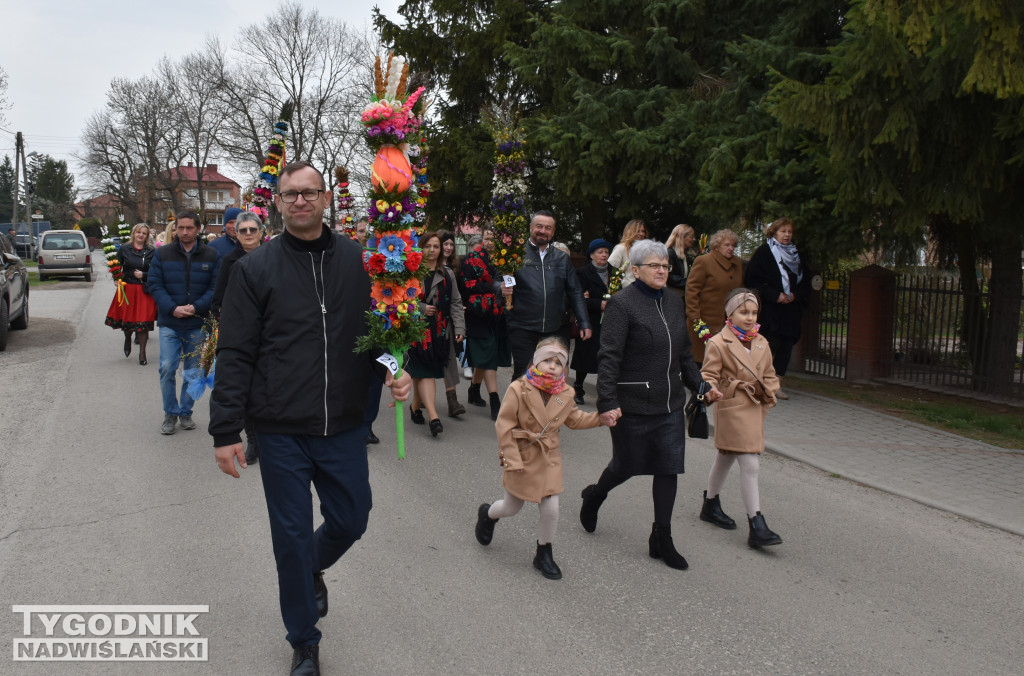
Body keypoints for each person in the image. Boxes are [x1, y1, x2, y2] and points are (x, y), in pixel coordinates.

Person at [209, 161, 411, 676]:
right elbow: (234, 352)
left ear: (325, 200)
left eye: (310, 193)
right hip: (279, 429)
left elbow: (379, 337)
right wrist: (226, 429)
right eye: (290, 194)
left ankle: (311, 567)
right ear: (276, 203)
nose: (300, 201)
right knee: (291, 538)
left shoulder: (359, 262)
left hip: (343, 423)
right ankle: (304, 641)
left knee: (352, 518)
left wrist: (395, 368)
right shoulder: (255, 269)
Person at [579, 240, 721, 571]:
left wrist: (700, 386)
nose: (661, 270)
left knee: (667, 467)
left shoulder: (674, 302)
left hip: (669, 402)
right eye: (654, 265)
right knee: (625, 465)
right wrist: (607, 401)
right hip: (631, 403)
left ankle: (662, 537)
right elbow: (609, 355)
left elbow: (684, 353)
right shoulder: (621, 305)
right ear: (636, 270)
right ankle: (595, 495)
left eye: (665, 266)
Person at [475, 336, 602, 580]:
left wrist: (601, 418)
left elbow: (574, 419)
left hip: (548, 456)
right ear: (536, 361)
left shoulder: (565, 392)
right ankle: (488, 514)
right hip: (522, 454)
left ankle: (544, 552)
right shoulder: (519, 388)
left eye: (559, 362)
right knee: (511, 507)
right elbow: (504, 424)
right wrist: (511, 458)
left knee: (551, 508)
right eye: (548, 360)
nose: (553, 366)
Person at [699, 288, 783, 548]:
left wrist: (770, 392)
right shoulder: (718, 343)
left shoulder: (761, 342)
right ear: (730, 313)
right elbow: (708, 376)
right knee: (750, 463)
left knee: (725, 457)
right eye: (743, 312)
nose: (749, 317)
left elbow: (770, 374)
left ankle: (710, 504)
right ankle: (756, 524)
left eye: (754, 312)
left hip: (755, 407)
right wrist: (711, 390)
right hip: (731, 406)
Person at [147, 210, 221, 435]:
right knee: (167, 367)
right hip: (170, 321)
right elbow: (154, 284)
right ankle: (170, 412)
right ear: (175, 228)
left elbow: (215, 287)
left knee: (193, 371)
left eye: (190, 228)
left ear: (198, 229)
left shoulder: (211, 254)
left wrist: (196, 307)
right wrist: (172, 308)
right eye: (181, 228)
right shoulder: (163, 254)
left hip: (197, 322)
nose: (185, 232)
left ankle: (185, 412)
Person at [502, 210, 591, 381]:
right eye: (539, 226)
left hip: (555, 327)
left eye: (548, 228)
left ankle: (547, 408)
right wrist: (502, 288)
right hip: (523, 325)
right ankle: (519, 407)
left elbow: (575, 291)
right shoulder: (515, 254)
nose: (543, 231)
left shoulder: (562, 259)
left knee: (552, 375)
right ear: (530, 227)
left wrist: (584, 322)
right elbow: (501, 281)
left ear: (553, 231)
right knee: (524, 373)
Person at [210, 211, 265, 464]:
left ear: (261, 232)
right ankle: (253, 437)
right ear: (236, 234)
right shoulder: (231, 262)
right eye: (243, 230)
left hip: (271, 332)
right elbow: (219, 299)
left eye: (253, 229)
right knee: (248, 388)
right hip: (243, 332)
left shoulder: (273, 258)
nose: (249, 234)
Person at [743, 218, 811, 399]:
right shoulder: (764, 253)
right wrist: (775, 295)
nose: (787, 235)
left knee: (786, 346)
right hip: (770, 309)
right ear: (774, 233)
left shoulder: (797, 255)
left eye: (789, 231)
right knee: (769, 345)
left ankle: (776, 384)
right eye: (783, 231)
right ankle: (759, 381)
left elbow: (806, 281)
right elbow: (753, 281)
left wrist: (795, 294)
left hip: (791, 310)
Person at [406, 232, 464, 437]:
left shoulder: (447, 273)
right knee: (426, 372)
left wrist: (459, 328)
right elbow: (401, 298)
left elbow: (456, 302)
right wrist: (420, 307)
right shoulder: (412, 271)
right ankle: (433, 416)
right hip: (417, 330)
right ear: (420, 247)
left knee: (424, 371)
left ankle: (415, 407)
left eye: (436, 246)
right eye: (428, 246)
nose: (432, 250)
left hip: (440, 331)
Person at [460, 230, 510, 420]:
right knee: (488, 356)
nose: (490, 242)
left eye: (494, 238)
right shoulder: (471, 259)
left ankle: (474, 389)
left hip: (499, 315)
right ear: (482, 240)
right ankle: (495, 400)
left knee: (488, 355)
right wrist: (494, 287)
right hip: (479, 314)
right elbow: (469, 286)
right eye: (487, 238)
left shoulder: (506, 259)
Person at [685, 228, 743, 364]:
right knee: (702, 362)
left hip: (728, 323)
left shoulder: (737, 264)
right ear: (717, 246)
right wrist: (695, 318)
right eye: (727, 245)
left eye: (733, 245)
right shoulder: (704, 261)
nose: (731, 248)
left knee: (723, 363)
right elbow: (691, 290)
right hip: (704, 322)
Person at [104, 223, 157, 365]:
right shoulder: (124, 249)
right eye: (138, 232)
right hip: (128, 289)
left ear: (147, 236)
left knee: (143, 322)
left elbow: (157, 271)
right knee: (128, 322)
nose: (141, 235)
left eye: (144, 233)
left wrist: (144, 274)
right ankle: (128, 339)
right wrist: (117, 279)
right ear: (134, 233)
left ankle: (142, 353)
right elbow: (117, 266)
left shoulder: (151, 251)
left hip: (144, 290)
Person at [570, 238, 612, 406]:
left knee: (607, 357)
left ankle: (604, 391)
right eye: (600, 252)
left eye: (606, 252)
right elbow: (578, 298)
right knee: (586, 355)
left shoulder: (615, 272)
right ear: (592, 255)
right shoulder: (583, 273)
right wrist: (597, 303)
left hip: (609, 321)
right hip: (590, 319)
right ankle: (578, 386)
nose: (604, 255)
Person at [437, 229, 467, 417]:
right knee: (426, 363)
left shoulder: (456, 267)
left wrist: (460, 320)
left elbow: (457, 298)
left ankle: (452, 401)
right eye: (444, 244)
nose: (448, 248)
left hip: (448, 321)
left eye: (450, 244)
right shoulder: (426, 266)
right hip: (429, 321)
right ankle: (420, 399)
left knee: (449, 361)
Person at [606, 219, 648, 288]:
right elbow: (610, 270)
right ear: (629, 232)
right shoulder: (621, 248)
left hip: (643, 290)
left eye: (643, 231)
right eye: (637, 231)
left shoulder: (646, 250)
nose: (641, 234)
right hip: (626, 291)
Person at [665, 223, 698, 297]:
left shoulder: (684, 255)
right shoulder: (669, 253)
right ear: (682, 237)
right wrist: (691, 282)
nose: (694, 239)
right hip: (673, 297)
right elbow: (669, 276)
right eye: (691, 237)